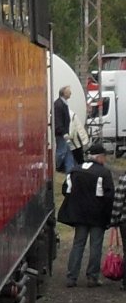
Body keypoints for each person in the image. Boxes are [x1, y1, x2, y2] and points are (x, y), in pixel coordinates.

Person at [58, 143, 114, 288]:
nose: (105, 159)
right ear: (99, 157)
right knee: (95, 246)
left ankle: (71, 276)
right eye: (104, 156)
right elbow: (109, 196)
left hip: (79, 215)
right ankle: (92, 277)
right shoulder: (104, 173)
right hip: (97, 216)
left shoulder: (74, 170)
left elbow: (66, 190)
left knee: (78, 244)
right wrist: (109, 215)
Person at [54, 85, 74, 173]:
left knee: (68, 153)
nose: (71, 93)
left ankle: (70, 171)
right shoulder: (58, 105)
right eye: (69, 91)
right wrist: (64, 133)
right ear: (64, 93)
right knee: (62, 152)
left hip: (64, 133)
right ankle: (56, 167)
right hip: (61, 134)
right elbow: (58, 120)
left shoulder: (63, 103)